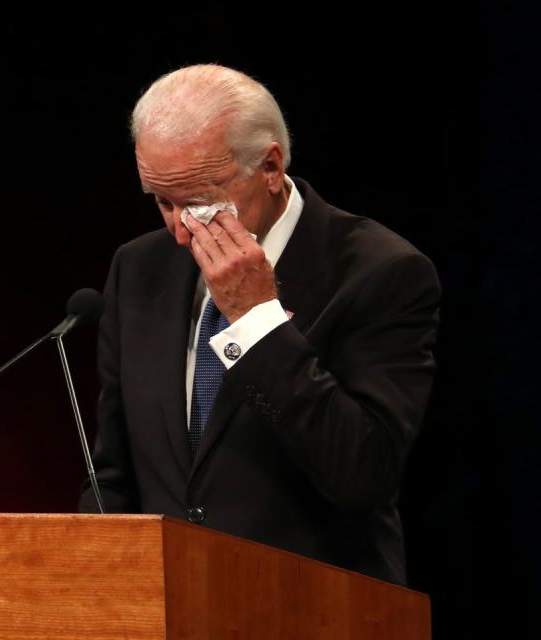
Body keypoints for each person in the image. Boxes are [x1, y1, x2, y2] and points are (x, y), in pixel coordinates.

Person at [79, 64, 440, 585]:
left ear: (270, 167)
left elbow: (364, 473)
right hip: (168, 608)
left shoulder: (380, 271)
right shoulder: (139, 268)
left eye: (198, 202)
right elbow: (113, 475)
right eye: (162, 202)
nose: (181, 231)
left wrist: (256, 320)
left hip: (314, 608)